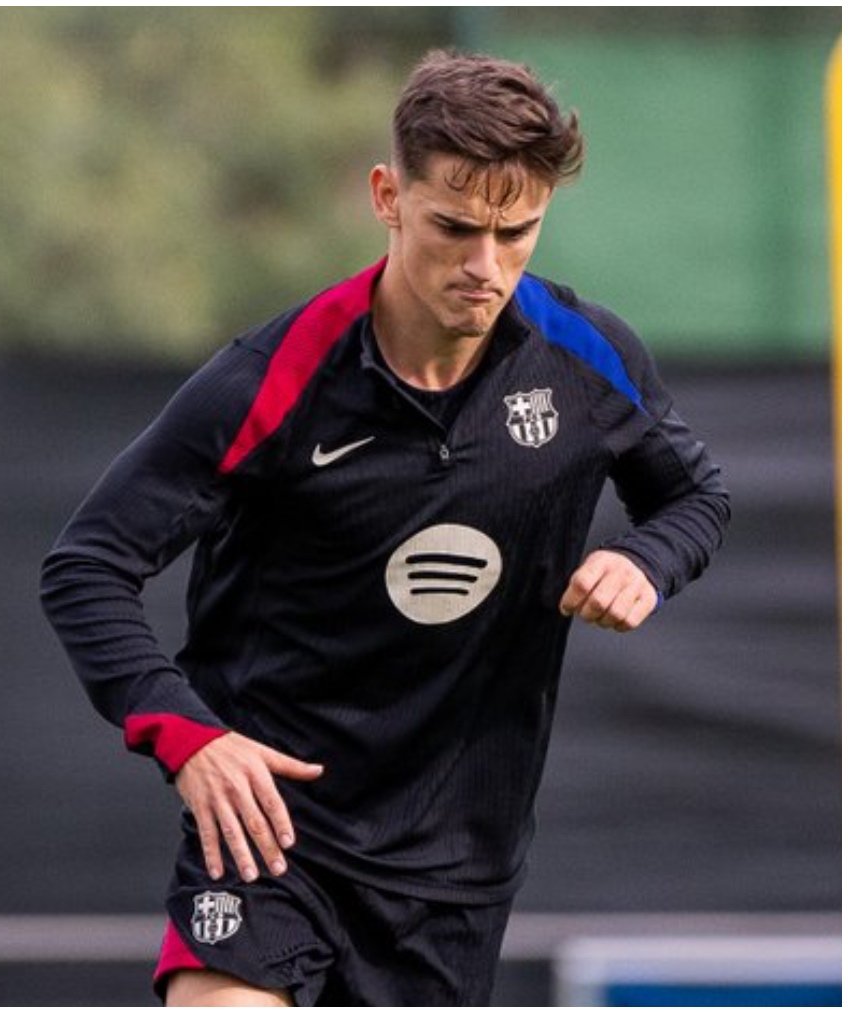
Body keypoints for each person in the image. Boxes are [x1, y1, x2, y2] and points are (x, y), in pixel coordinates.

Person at [40, 50, 728, 1006]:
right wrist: (189, 735)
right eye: (453, 226)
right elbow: (86, 566)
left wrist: (645, 559)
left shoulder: (588, 357)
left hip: (454, 869)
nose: (485, 266)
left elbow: (696, 497)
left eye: (515, 231)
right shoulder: (271, 379)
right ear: (387, 197)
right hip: (270, 836)